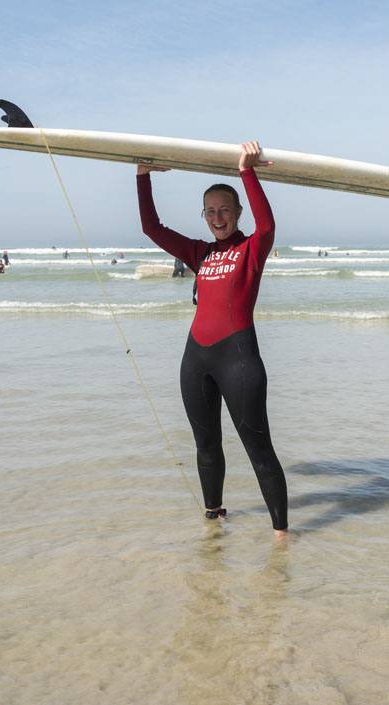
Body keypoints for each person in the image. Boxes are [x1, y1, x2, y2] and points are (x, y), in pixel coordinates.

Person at [137, 140, 288, 538]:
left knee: (259, 449)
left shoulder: (252, 248)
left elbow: (269, 225)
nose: (217, 217)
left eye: (225, 210)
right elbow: (151, 228)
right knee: (206, 446)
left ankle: (281, 538)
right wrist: (142, 176)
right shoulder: (199, 253)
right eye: (210, 211)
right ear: (203, 215)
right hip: (195, 360)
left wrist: (247, 171)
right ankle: (213, 524)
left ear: (238, 213)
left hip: (238, 359)